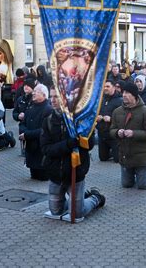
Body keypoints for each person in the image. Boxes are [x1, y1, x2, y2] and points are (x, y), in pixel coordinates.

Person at [40, 87, 105, 220]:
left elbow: (90, 145)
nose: (52, 100)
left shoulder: (79, 120)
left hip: (75, 172)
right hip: (56, 173)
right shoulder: (48, 121)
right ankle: (77, 199)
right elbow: (46, 148)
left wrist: (82, 138)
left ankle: (95, 198)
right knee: (55, 211)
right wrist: (67, 145)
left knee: (76, 213)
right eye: (51, 97)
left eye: (56, 97)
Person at [110, 82, 146, 189]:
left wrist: (134, 133)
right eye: (123, 92)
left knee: (143, 184)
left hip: (142, 157)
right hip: (125, 155)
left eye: (127, 93)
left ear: (134, 95)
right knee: (127, 184)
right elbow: (112, 130)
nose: (124, 95)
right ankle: (137, 175)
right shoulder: (117, 112)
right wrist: (117, 132)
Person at [19, 84, 52, 180]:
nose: (33, 93)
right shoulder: (30, 107)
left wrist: (27, 134)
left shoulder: (48, 109)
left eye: (37, 91)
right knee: (34, 176)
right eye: (34, 91)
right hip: (30, 147)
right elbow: (22, 123)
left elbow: (45, 130)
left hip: (41, 148)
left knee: (42, 177)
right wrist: (23, 132)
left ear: (44, 95)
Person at [97, 80, 122, 162]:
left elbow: (123, 117)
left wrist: (111, 119)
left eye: (108, 86)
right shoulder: (101, 100)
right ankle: (110, 152)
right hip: (102, 134)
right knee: (103, 158)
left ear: (114, 87)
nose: (105, 88)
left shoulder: (120, 101)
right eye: (104, 86)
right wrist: (97, 117)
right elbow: (95, 112)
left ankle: (117, 151)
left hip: (114, 135)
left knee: (117, 160)